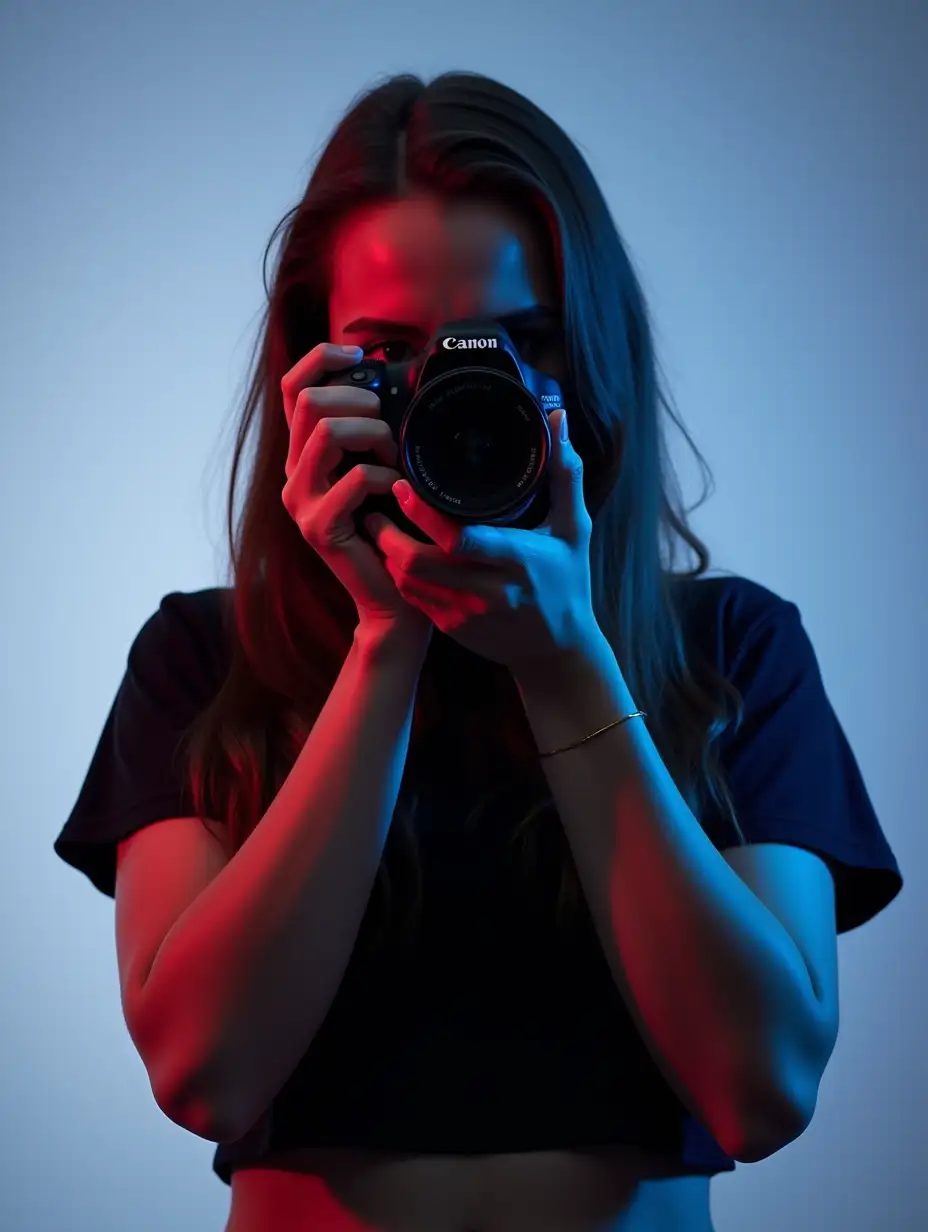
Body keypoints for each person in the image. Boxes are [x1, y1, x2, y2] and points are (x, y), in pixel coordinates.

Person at [53, 71, 903, 1232]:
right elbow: (205, 1074)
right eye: (394, 352)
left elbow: (764, 1089)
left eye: (519, 341)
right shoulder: (205, 657)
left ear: (593, 355)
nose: (464, 388)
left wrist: (568, 666)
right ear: (312, 373)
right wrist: (382, 642)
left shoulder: (732, 648)